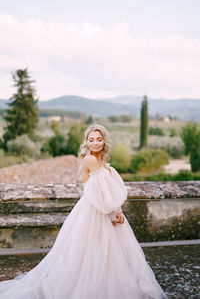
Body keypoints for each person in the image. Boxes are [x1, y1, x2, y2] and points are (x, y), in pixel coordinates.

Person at [0, 124, 168, 299]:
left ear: (104, 141)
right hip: (94, 210)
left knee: (108, 252)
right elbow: (98, 194)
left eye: (99, 139)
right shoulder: (90, 160)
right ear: (86, 142)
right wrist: (112, 213)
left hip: (103, 207)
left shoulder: (101, 160)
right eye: (91, 140)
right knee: (91, 251)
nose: (95, 143)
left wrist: (116, 210)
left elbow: (107, 190)